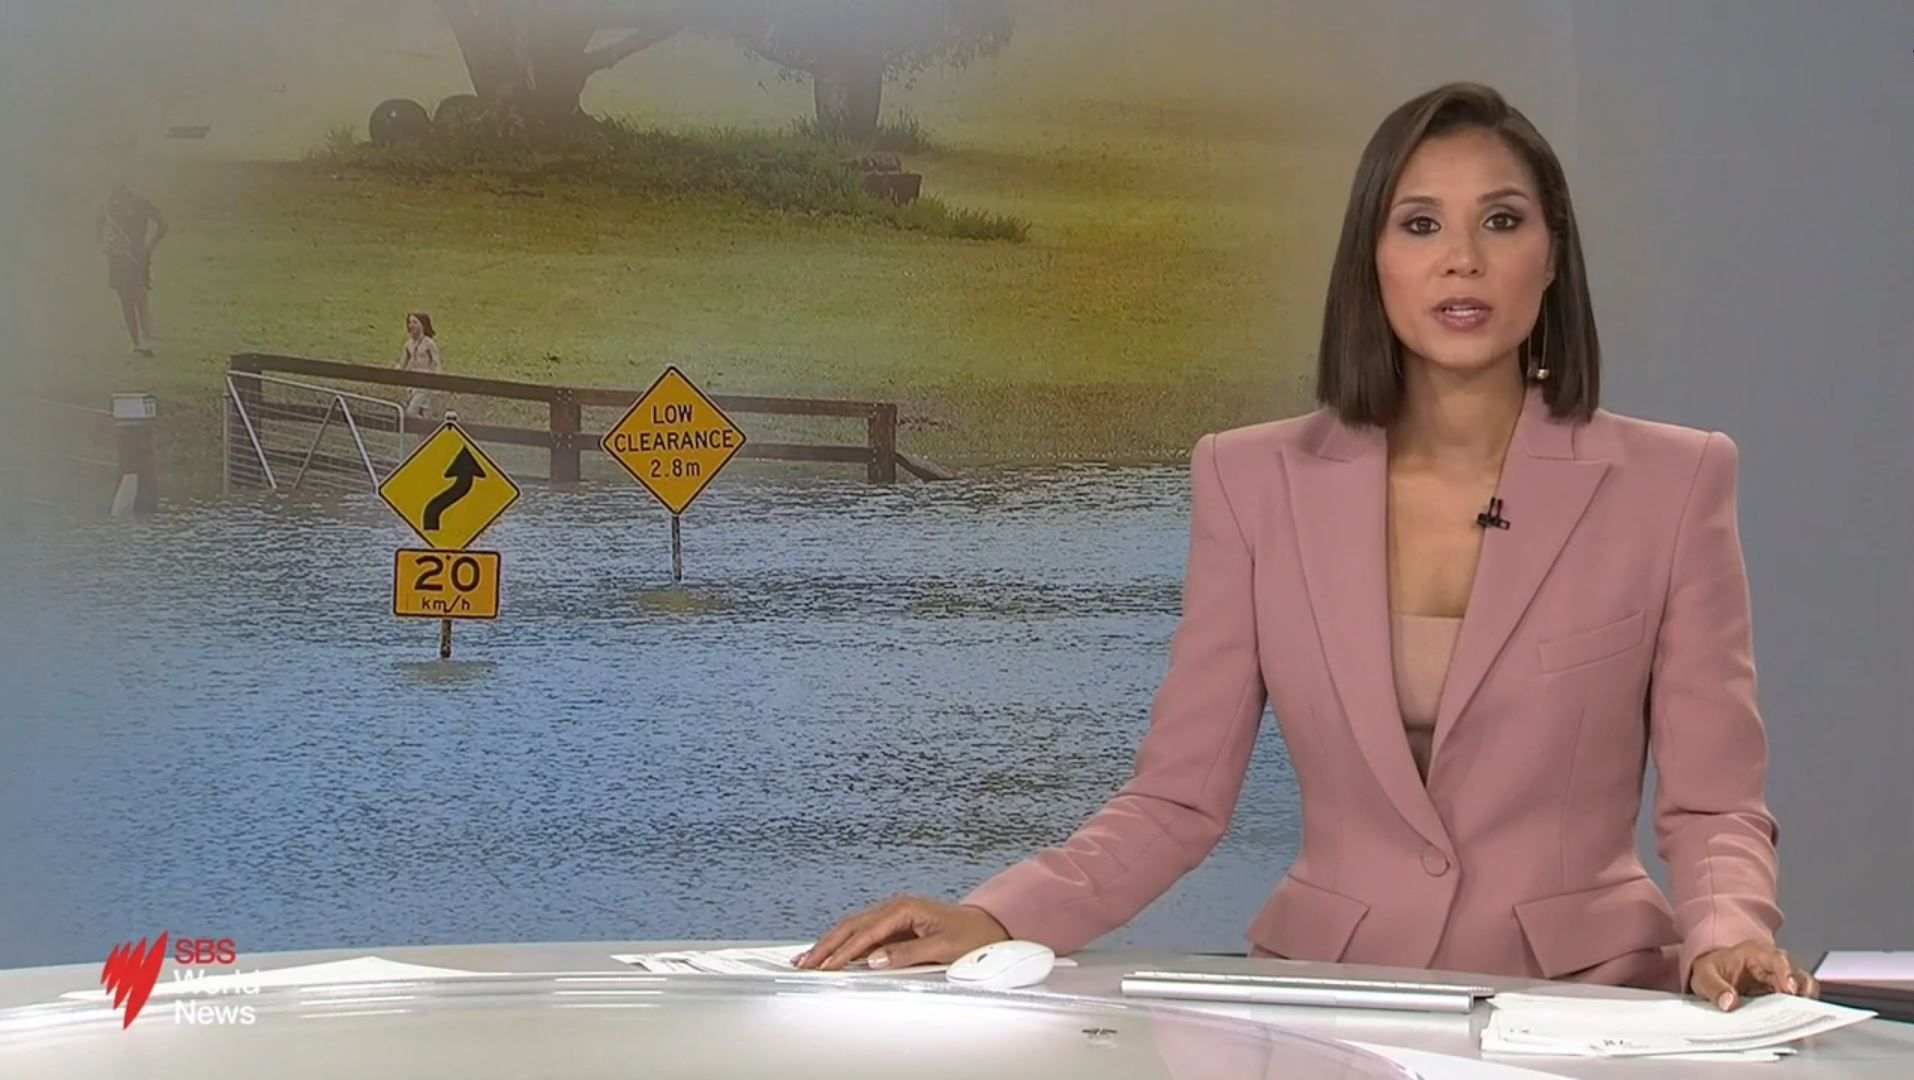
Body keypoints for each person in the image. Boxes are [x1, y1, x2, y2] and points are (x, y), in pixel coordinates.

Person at [795, 82, 1817, 1013]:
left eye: (1502, 221)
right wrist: (1000, 916)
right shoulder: (1253, 481)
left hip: (1589, 1004)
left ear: (1552, 257)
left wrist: (1728, 933)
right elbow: (1177, 800)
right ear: (1372, 259)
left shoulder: (1673, 482)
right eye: (1420, 224)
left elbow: (1714, 804)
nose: (1462, 259)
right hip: (1330, 996)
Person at [97, 176, 167, 357]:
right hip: (116, 259)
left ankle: (146, 341)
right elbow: (99, 228)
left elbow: (162, 223)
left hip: (137, 257)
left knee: (140, 297)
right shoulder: (106, 206)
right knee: (125, 300)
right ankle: (136, 343)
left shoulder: (139, 203)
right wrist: (104, 244)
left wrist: (150, 246)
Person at [398, 312, 442, 421]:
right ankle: (427, 430)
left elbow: (436, 362)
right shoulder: (408, 344)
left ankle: (429, 428)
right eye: (410, 322)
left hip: (425, 383)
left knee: (411, 412)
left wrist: (439, 381)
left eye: (415, 322)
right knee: (425, 414)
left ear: (422, 325)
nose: (411, 325)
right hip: (412, 384)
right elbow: (402, 364)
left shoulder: (429, 343)